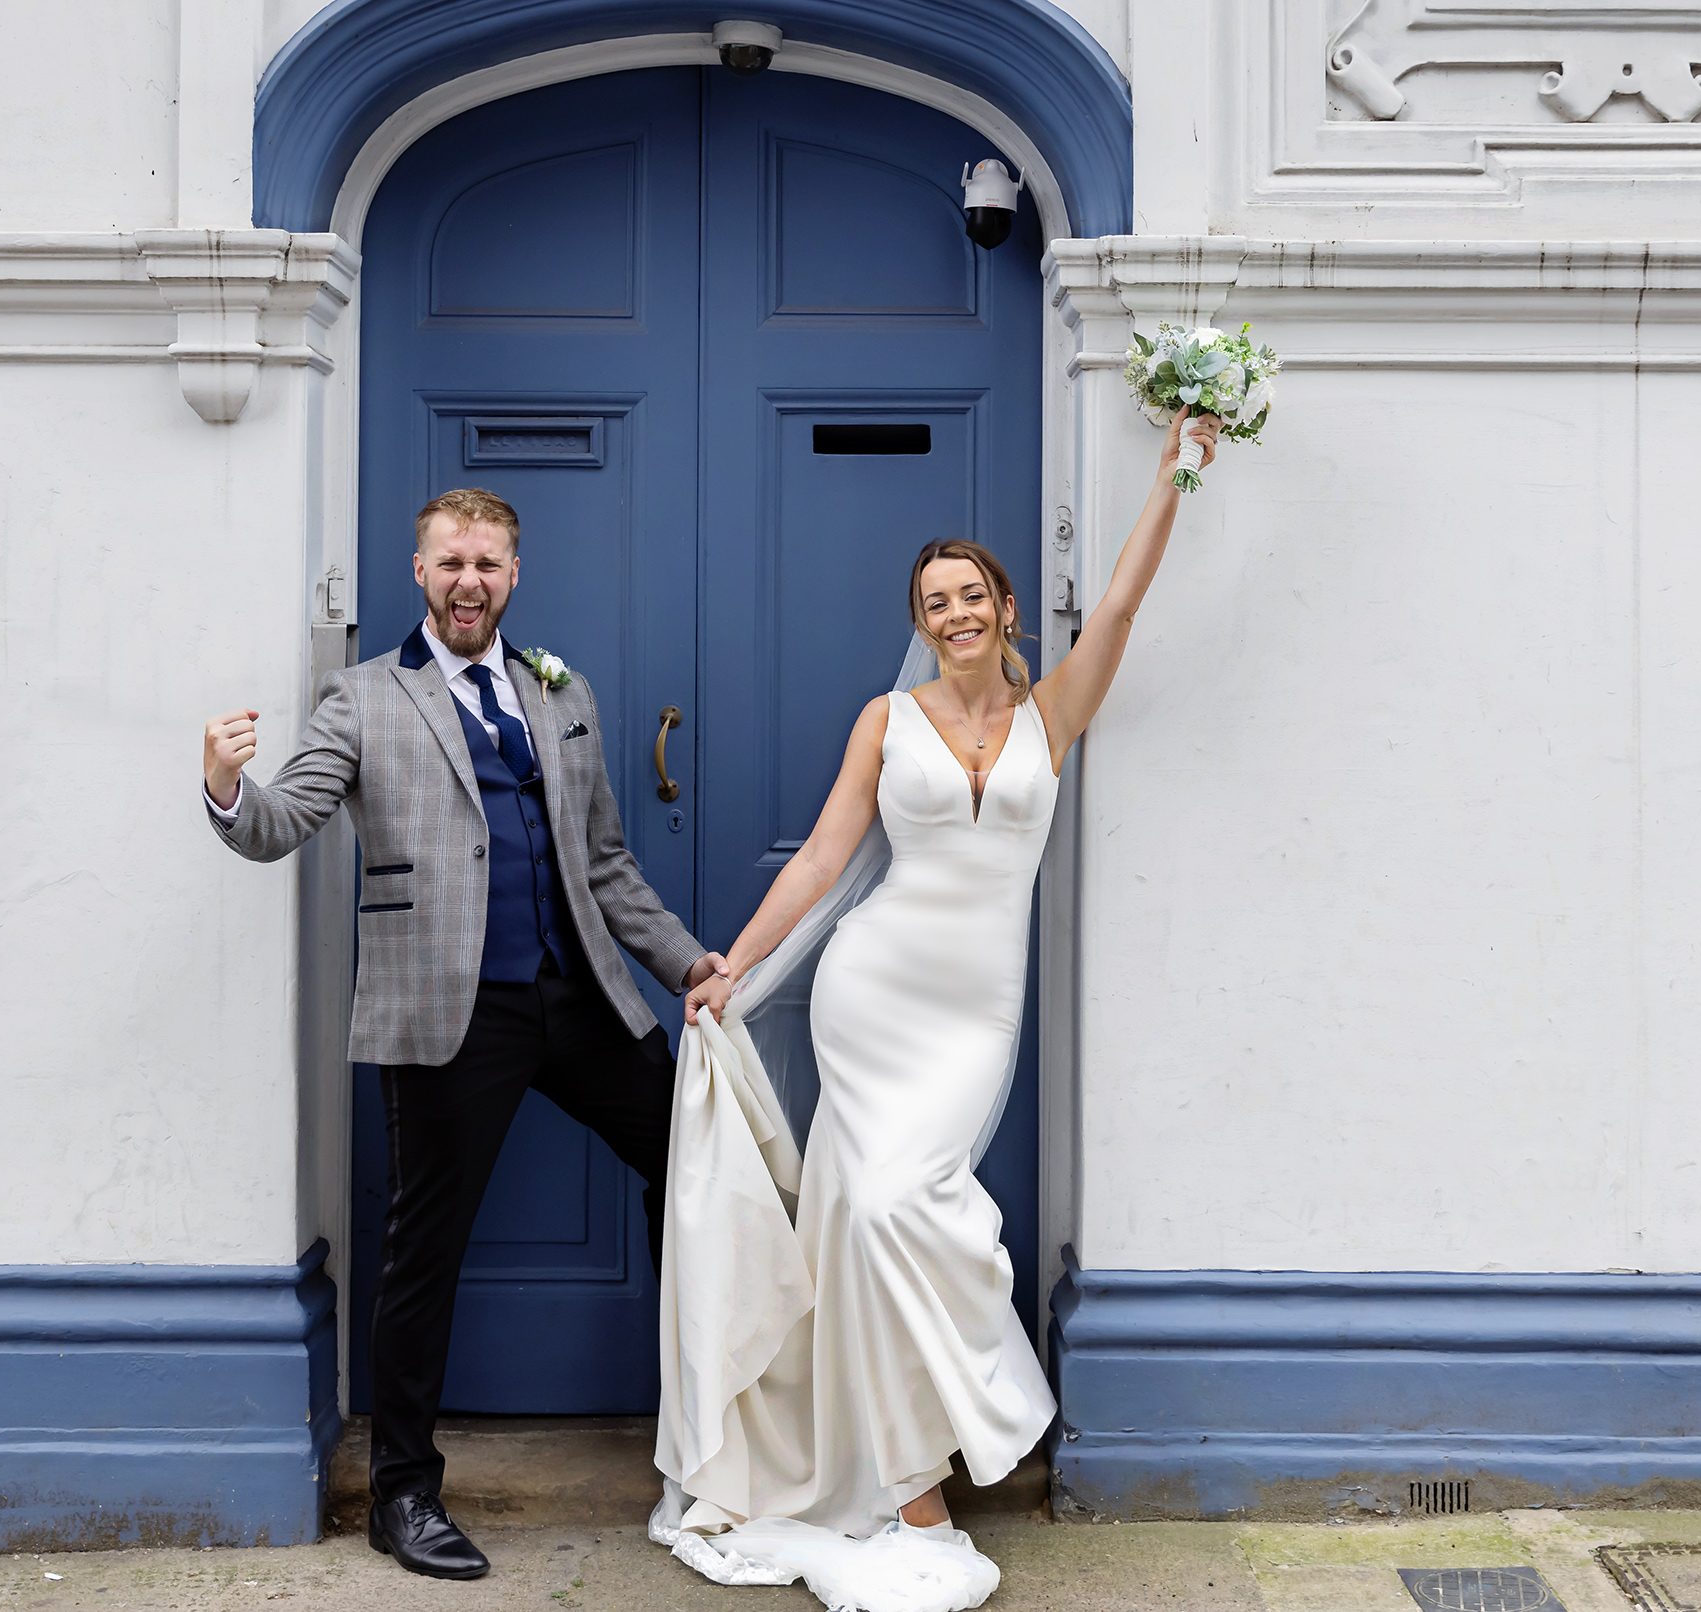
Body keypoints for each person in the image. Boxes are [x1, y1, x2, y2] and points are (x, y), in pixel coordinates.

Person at [654, 410, 1219, 1611]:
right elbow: (819, 860)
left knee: (915, 1209)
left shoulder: (1052, 714)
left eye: (970, 595)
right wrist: (737, 970)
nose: (954, 614)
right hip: (869, 992)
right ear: (921, 625)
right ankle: (910, 1487)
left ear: (1005, 609)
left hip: (972, 1014)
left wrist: (1175, 472)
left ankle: (927, 1446)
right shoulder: (886, 720)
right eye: (933, 603)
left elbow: (1117, 607)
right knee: (859, 1219)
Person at [202, 487, 724, 1582]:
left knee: (694, 1170)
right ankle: (404, 1492)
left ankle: (713, 1433)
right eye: (450, 563)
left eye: (487, 563)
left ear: (514, 575)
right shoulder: (360, 699)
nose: (469, 581)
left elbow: (607, 866)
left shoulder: (561, 689)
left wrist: (686, 963)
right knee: (420, 1254)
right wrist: (223, 784)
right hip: (446, 1015)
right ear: (418, 571)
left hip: (578, 998)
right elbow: (278, 824)